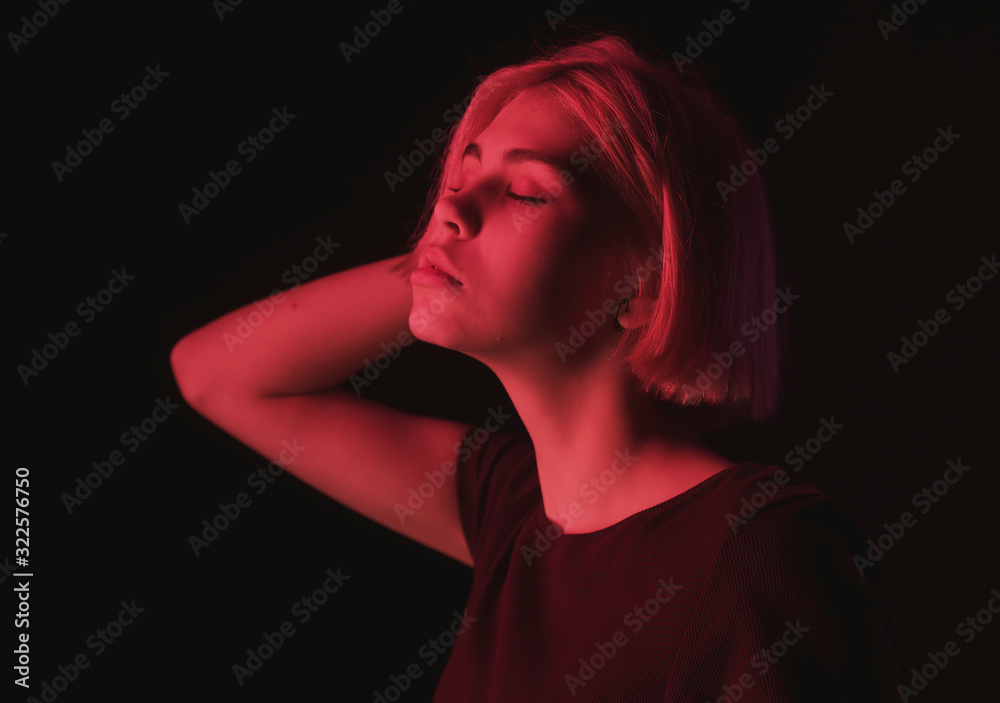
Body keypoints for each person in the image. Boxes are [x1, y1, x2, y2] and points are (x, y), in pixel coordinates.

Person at [171, 31, 902, 701]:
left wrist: (454, 261)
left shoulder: (762, 553)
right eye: (464, 168)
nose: (453, 202)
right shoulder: (511, 510)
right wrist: (441, 259)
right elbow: (218, 373)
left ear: (646, 285)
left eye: (526, 190)